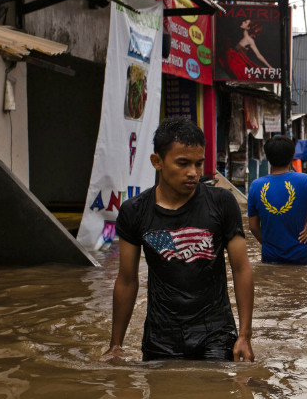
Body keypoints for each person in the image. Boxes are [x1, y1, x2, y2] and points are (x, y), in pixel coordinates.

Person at [101, 118, 255, 362]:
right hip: (161, 337)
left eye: (198, 163)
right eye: (183, 163)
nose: (193, 173)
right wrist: (115, 346)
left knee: (220, 397)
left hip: (216, 333)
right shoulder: (135, 211)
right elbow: (127, 280)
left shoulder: (222, 203)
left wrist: (244, 336)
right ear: (157, 162)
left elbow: (241, 268)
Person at [248, 135, 307, 265]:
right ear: (292, 157)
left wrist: (267, 245)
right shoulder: (306, 180)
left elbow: (253, 227)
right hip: (302, 256)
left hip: (270, 257)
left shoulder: (256, 186)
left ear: (267, 158)